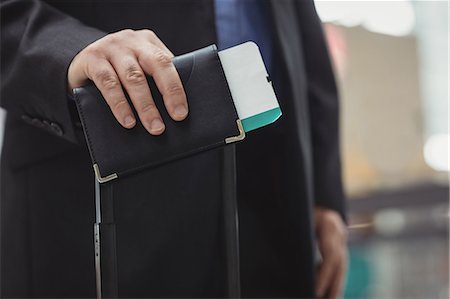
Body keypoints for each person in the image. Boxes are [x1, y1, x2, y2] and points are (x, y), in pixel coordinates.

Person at [1, 0, 347, 298]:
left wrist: (324, 192)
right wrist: (68, 50)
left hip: (275, 194)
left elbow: (303, 33)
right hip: (106, 200)